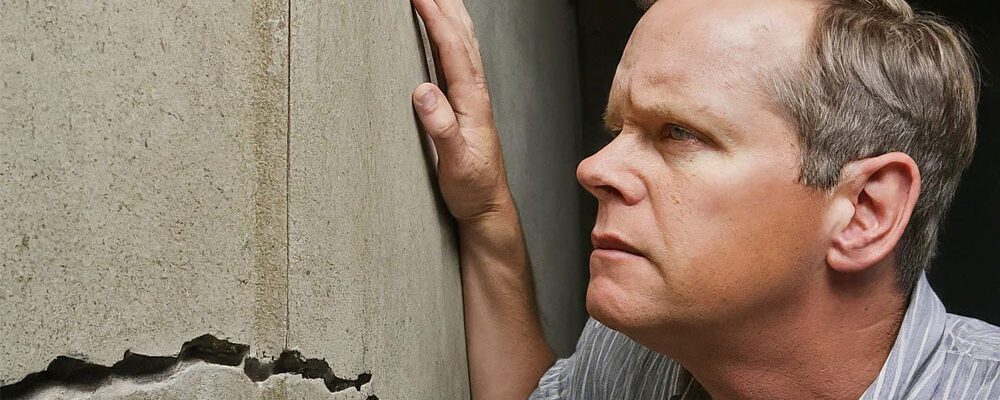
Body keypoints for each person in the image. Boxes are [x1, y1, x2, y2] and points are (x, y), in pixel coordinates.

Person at [409, 0, 1000, 398]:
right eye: (618, 130)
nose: (594, 168)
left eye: (680, 133)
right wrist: (487, 214)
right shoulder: (645, 349)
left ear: (865, 211)